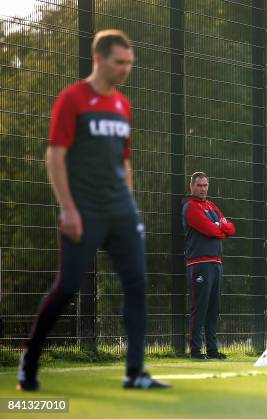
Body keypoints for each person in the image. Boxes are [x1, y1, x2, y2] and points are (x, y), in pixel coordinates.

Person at [17, 29, 170, 391]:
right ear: (99, 59)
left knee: (136, 284)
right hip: (84, 211)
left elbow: (124, 161)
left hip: (121, 210)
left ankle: (135, 373)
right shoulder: (72, 99)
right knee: (67, 287)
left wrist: (130, 207)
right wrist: (67, 209)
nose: (126, 69)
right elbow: (55, 155)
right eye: (120, 62)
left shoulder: (123, 105)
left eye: (130, 63)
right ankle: (30, 359)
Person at [182, 172, 235, 359]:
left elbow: (231, 228)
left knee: (214, 309)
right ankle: (195, 351)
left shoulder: (212, 206)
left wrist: (220, 228)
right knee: (200, 308)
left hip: (216, 263)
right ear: (191, 186)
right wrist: (220, 229)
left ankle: (212, 350)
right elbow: (211, 230)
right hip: (199, 264)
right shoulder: (190, 207)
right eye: (199, 185)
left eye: (205, 185)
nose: (203, 189)